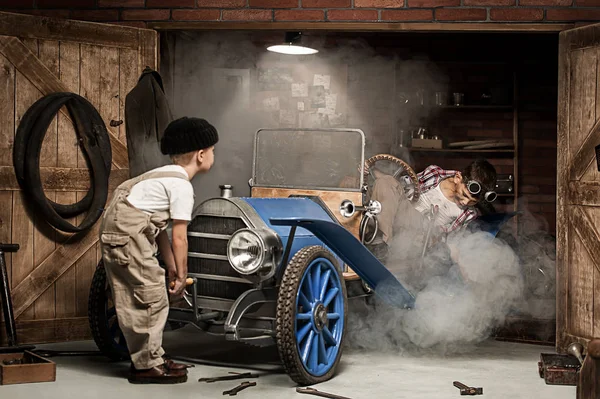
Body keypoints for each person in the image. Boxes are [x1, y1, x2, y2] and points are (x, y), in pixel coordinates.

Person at [99, 117, 218, 384]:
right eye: (212, 150)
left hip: (122, 230)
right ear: (200, 155)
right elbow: (179, 237)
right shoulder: (181, 186)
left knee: (141, 294)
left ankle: (152, 357)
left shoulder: (162, 175)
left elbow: (158, 228)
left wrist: (171, 267)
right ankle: (146, 367)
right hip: (128, 234)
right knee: (153, 296)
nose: (213, 155)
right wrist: (182, 276)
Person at [365, 159, 497, 266]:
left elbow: (450, 240)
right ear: (458, 178)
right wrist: (371, 170)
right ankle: (371, 242)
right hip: (402, 213)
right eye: (464, 195)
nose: (465, 202)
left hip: (424, 233)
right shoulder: (434, 173)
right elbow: (397, 187)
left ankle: (380, 248)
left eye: (472, 201)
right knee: (364, 182)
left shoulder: (469, 213)